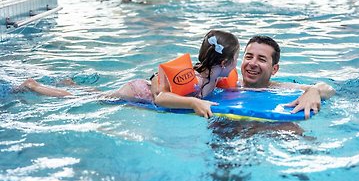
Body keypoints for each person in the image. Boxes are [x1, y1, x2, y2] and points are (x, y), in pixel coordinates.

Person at [18, 30, 240, 118]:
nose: (238, 62)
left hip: (142, 89)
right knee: (87, 100)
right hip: (139, 91)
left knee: (100, 94)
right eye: (237, 57)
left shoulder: (215, 77)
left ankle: (71, 83)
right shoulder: (196, 79)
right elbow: (160, 96)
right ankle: (34, 86)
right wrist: (193, 103)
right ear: (224, 61)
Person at [240, 36, 335, 119]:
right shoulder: (229, 84)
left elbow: (329, 90)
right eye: (248, 57)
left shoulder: (280, 89)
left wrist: (314, 90)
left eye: (261, 59)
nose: (252, 63)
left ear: (274, 69)